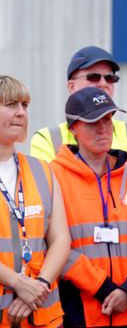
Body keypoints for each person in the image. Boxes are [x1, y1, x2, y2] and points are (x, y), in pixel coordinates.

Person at [50, 87, 127, 327]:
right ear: (73, 129)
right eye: (93, 122)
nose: (103, 128)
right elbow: (53, 243)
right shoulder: (53, 177)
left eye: (108, 119)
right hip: (77, 311)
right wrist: (102, 287)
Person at [30, 46, 127, 197]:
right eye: (93, 77)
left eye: (110, 78)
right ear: (71, 86)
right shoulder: (46, 138)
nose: (103, 83)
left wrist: (75, 180)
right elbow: (46, 193)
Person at [0, 76, 70, 327]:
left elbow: (61, 239)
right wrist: (18, 283)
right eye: (10, 104)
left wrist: (38, 286)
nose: (21, 113)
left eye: (25, 105)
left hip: (42, 317)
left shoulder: (42, 170)